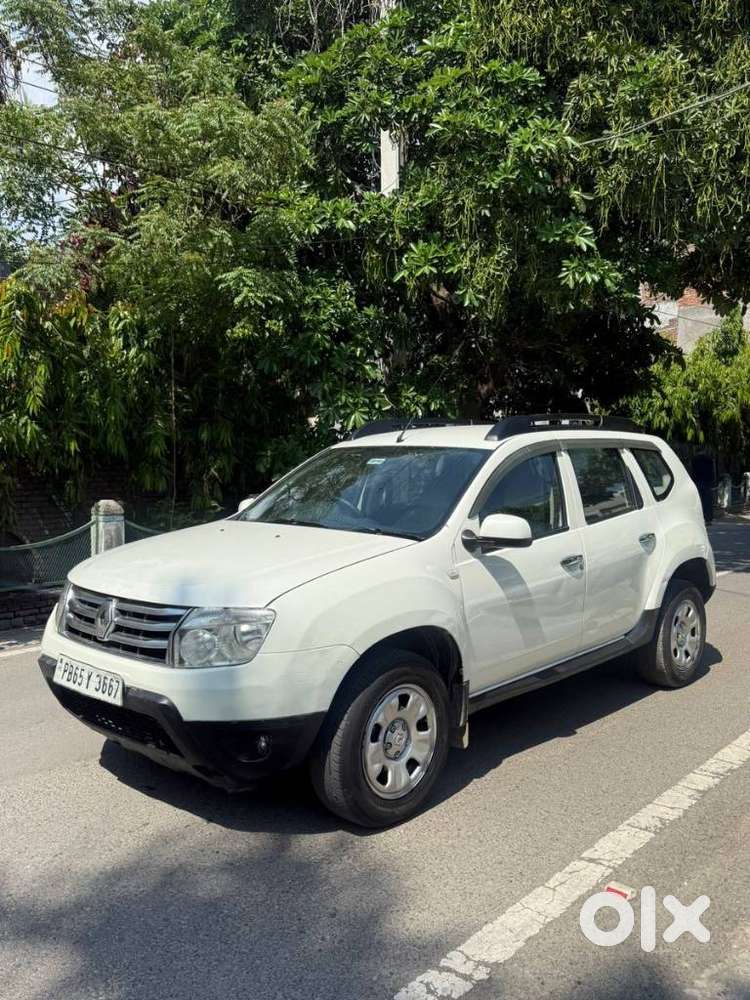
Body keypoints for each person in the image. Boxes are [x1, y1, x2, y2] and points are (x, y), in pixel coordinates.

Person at [691, 450, 716, 525]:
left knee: (698, 502)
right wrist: (712, 480)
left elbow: (692, 471)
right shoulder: (709, 460)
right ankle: (708, 519)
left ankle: (698, 519)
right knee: (707, 502)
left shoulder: (694, 460)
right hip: (707, 483)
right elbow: (712, 471)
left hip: (697, 482)